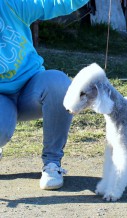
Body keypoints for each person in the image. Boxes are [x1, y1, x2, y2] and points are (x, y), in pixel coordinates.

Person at [0, 0, 90, 190]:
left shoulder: (9, 5)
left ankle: (52, 163)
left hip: (31, 88)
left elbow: (53, 3)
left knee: (59, 83)